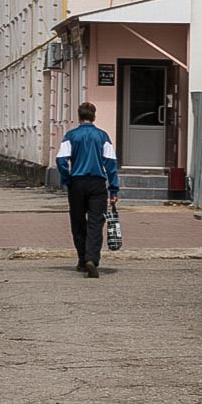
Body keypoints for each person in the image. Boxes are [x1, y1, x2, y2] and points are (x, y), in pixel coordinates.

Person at [56, 102, 120, 278]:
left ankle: (82, 259)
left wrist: (66, 178)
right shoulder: (102, 136)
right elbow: (111, 164)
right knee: (95, 222)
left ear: (79, 116)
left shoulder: (71, 136)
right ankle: (92, 258)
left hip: (76, 183)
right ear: (94, 116)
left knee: (77, 221)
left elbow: (61, 160)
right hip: (97, 184)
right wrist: (113, 190)